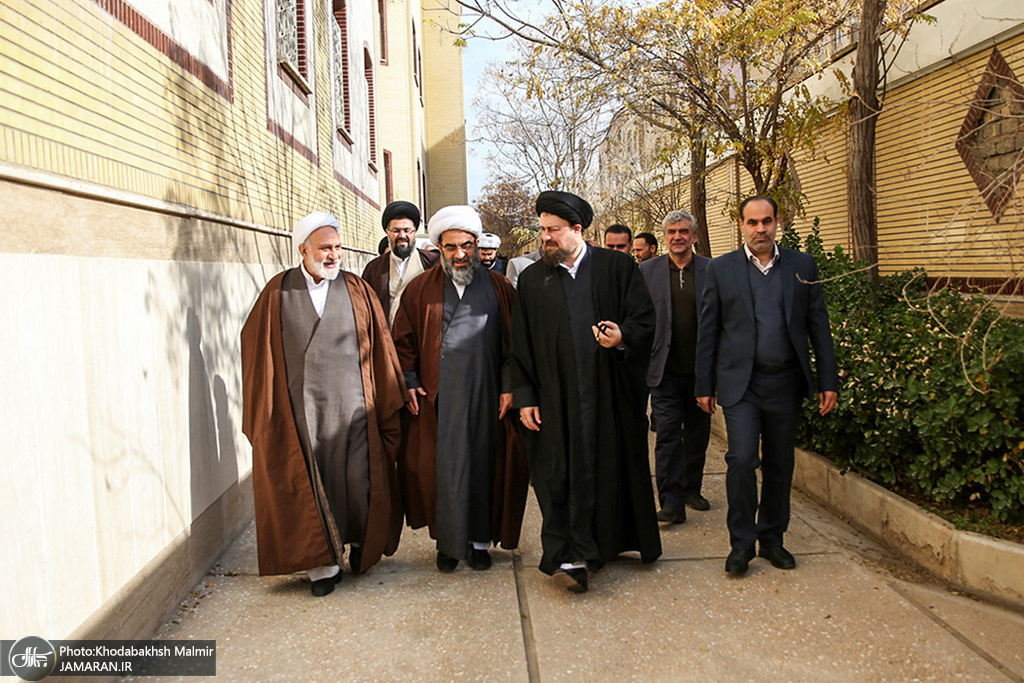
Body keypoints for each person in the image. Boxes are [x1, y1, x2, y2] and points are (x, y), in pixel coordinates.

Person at [240, 211, 407, 597]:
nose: (333, 255)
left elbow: (381, 345)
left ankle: (359, 545)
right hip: (302, 411)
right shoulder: (277, 292)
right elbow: (257, 349)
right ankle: (322, 566)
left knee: (358, 481)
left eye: (337, 247)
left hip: (355, 407)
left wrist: (391, 390)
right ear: (303, 250)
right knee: (312, 485)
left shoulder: (357, 289)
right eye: (325, 249)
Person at [511, 190, 661, 593]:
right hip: (555, 402)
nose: (546, 237)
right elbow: (520, 344)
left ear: (577, 229)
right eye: (543, 229)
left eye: (554, 229)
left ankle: (601, 546)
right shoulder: (532, 279)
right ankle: (569, 554)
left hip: (607, 399)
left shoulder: (617, 267)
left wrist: (622, 337)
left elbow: (645, 320)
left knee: (608, 471)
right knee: (558, 475)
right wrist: (525, 396)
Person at [696, 196, 838, 575]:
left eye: (767, 221)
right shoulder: (722, 269)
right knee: (742, 459)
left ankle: (772, 539)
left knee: (780, 463)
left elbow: (818, 326)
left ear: (777, 223)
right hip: (741, 385)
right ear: (741, 224)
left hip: (785, 383)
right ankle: (741, 544)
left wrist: (827, 380)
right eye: (753, 222)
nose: (761, 229)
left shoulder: (801, 265)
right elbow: (708, 331)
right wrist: (704, 384)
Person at [391, 206, 529, 573]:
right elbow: (402, 342)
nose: (460, 254)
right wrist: (410, 382)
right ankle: (449, 545)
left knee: (485, 467)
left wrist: (509, 387)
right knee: (444, 471)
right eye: (451, 247)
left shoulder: (500, 287)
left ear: (476, 244)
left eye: (467, 245)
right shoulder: (419, 290)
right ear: (439, 247)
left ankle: (480, 543)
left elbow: (516, 344)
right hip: (440, 401)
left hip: (488, 397)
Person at [640, 211, 712, 525]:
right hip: (664, 371)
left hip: (700, 371)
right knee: (667, 436)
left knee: (697, 436)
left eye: (683, 231)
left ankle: (691, 489)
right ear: (665, 236)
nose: (677, 236)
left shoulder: (712, 270)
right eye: (671, 232)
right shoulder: (647, 271)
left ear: (694, 236)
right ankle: (670, 503)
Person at [361, 200, 440, 325]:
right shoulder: (374, 269)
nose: (402, 235)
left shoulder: (433, 263)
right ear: (387, 232)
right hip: (387, 335)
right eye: (396, 230)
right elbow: (364, 310)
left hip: (423, 335)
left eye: (407, 230)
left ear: (415, 231)